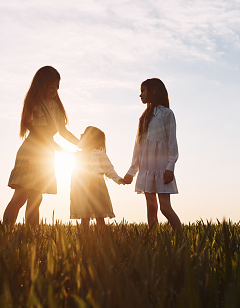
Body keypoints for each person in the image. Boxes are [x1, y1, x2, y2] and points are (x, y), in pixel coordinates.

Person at [3, 66, 79, 227]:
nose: (55, 90)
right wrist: (67, 152)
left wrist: (81, 144)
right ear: (42, 84)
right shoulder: (36, 104)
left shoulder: (55, 106)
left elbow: (62, 131)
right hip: (32, 154)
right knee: (25, 197)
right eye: (52, 86)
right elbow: (43, 136)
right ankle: (11, 232)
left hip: (45, 155)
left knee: (30, 197)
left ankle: (25, 234)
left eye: (57, 87)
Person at [124, 78, 183, 235]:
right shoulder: (143, 118)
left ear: (154, 91)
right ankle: (154, 240)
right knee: (151, 207)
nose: (140, 95)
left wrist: (170, 167)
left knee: (164, 207)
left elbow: (172, 143)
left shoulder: (166, 114)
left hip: (161, 169)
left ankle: (181, 237)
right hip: (146, 168)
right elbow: (139, 147)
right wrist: (132, 171)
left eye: (143, 90)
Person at [70, 126, 126, 229]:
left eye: (85, 133)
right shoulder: (78, 155)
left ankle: (102, 235)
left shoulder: (99, 154)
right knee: (84, 214)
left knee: (99, 213)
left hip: (96, 187)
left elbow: (109, 170)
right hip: (82, 187)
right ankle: (84, 236)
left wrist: (118, 179)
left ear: (92, 139)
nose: (81, 135)